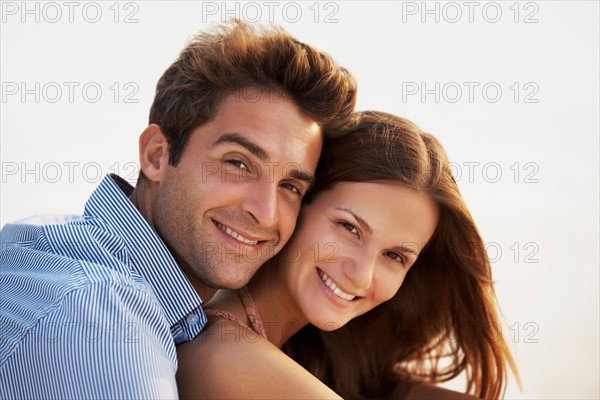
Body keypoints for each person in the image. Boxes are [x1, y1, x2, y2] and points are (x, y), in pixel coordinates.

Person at [0, 21, 356, 398]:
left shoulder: (53, 239)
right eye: (238, 164)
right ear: (156, 155)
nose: (266, 213)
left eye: (290, 186)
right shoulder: (103, 326)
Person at [176, 111, 520, 399]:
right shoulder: (222, 355)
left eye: (395, 256)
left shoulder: (302, 350)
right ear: (298, 201)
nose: (362, 275)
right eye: (349, 228)